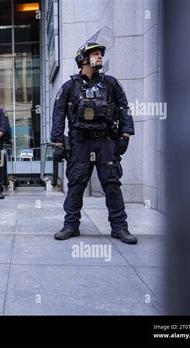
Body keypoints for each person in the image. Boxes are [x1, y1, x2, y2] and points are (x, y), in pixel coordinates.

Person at [51, 38, 137, 244]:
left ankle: (119, 227)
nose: (100, 56)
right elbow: (58, 114)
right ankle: (71, 225)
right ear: (83, 59)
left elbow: (125, 108)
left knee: (112, 184)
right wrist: (58, 142)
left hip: (106, 141)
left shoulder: (111, 84)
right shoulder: (69, 87)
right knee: (76, 184)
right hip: (80, 142)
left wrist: (125, 135)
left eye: (101, 54)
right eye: (95, 53)